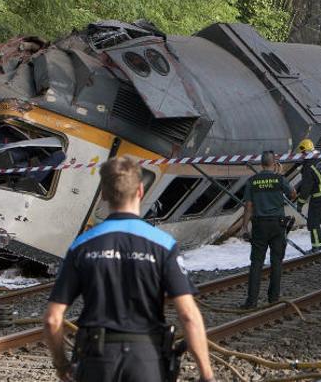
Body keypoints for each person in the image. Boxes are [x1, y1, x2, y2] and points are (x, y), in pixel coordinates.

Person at [43, 156, 216, 382]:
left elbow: (52, 319)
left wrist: (61, 364)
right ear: (141, 191)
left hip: (96, 359)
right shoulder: (162, 245)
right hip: (147, 360)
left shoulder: (82, 246)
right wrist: (207, 374)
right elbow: (188, 315)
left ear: (103, 193)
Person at [239, 151, 297, 309]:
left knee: (256, 263)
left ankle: (251, 302)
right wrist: (281, 176)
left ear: (261, 163)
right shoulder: (279, 179)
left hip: (259, 225)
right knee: (276, 262)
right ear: (274, 163)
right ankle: (273, 299)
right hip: (277, 225)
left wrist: (245, 226)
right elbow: (293, 194)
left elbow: (249, 206)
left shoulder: (252, 181)